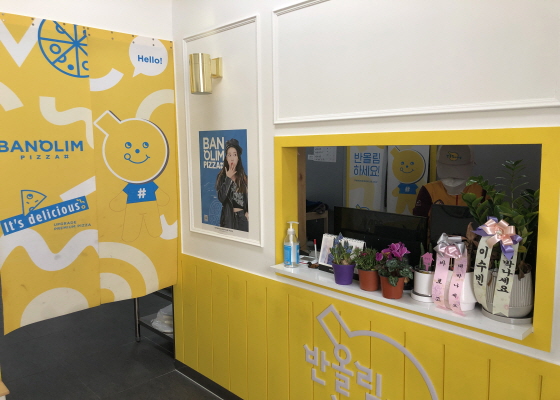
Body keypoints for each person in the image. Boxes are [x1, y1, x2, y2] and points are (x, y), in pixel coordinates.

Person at [413, 145, 484, 218]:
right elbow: (419, 221)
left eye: (459, 171)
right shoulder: (429, 190)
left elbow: (490, 220)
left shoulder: (481, 191)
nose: (453, 179)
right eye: (448, 170)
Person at [215, 138, 249, 231]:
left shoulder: (244, 177)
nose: (232, 158)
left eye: (235, 154)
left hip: (242, 219)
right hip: (228, 219)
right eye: (229, 155)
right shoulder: (222, 176)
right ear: (226, 158)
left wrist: (248, 212)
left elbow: (249, 198)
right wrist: (228, 178)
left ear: (238, 158)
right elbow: (221, 198)